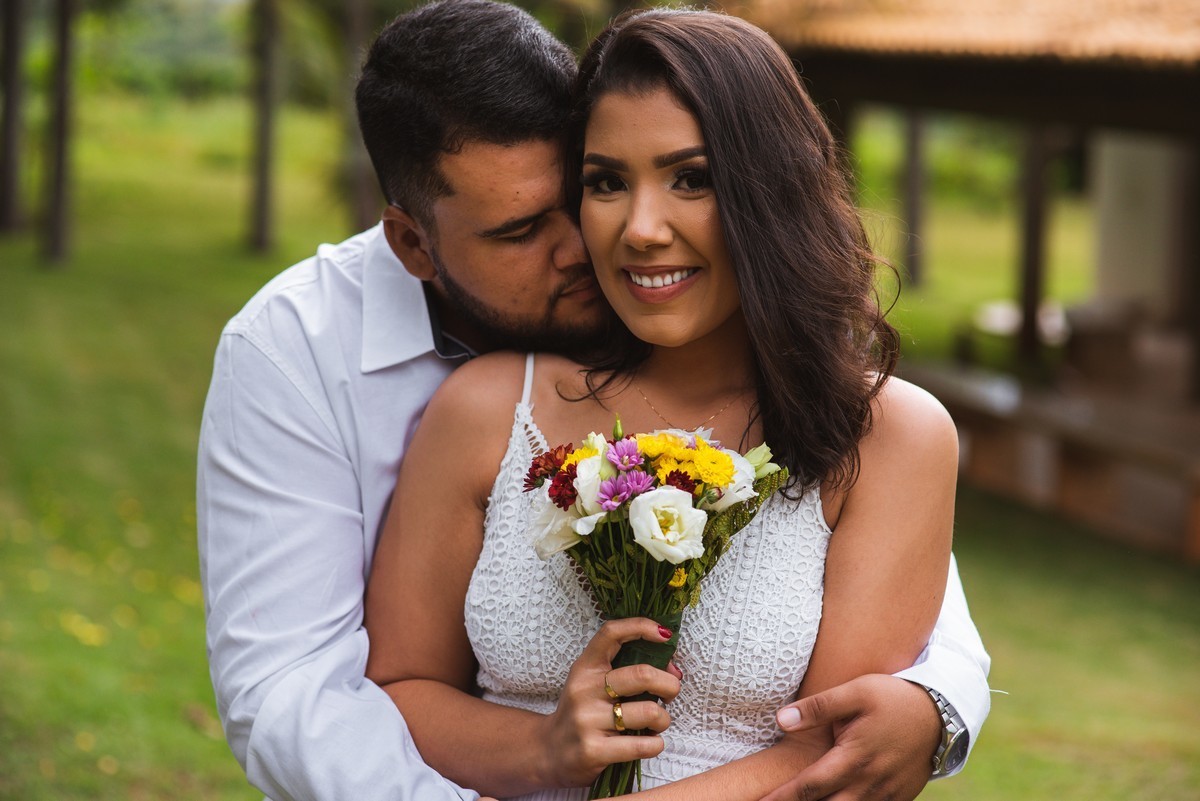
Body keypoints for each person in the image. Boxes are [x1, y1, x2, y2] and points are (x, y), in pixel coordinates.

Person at [196, 2, 990, 800]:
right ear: (414, 244)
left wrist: (938, 701)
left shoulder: (886, 430)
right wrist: (542, 748)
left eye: (691, 178)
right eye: (605, 184)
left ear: (768, 191)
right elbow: (308, 691)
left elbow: (854, 716)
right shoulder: (356, 368)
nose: (616, 237)